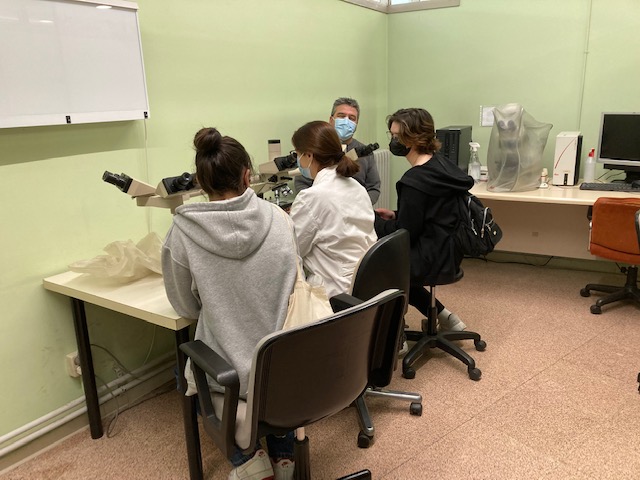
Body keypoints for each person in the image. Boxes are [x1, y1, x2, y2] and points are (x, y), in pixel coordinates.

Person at [162, 127, 297, 480]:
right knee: (275, 367)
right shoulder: (281, 218)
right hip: (285, 371)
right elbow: (295, 284)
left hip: (231, 377)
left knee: (183, 374)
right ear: (247, 176)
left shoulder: (181, 234)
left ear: (201, 183)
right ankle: (285, 459)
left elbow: (185, 309)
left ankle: (249, 461)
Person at [374, 108, 472, 332]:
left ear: (414, 137)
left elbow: (405, 233)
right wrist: (396, 214)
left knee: (382, 267)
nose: (393, 141)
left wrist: (374, 221)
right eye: (391, 135)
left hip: (431, 256)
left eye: (397, 136)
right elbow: (431, 212)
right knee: (397, 264)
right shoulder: (442, 165)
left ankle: (395, 335)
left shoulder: (415, 180)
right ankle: (447, 318)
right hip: (449, 250)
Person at [289, 120, 377, 298]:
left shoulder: (311, 197)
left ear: (309, 155)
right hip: (368, 284)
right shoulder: (357, 187)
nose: (298, 160)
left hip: (336, 294)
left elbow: (292, 251)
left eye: (297, 154)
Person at [294, 97, 381, 204]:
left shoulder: (365, 153)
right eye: (341, 116)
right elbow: (301, 183)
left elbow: (373, 187)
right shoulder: (315, 149)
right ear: (331, 120)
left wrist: (359, 205)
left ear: (356, 124)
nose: (346, 121)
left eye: (352, 118)